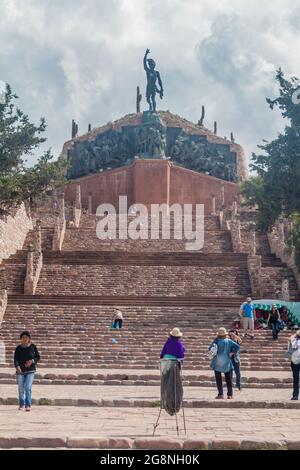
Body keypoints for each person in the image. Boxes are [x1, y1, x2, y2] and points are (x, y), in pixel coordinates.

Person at [208, 327, 240, 399]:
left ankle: (220, 394)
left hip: (217, 362)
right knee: (228, 379)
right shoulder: (229, 341)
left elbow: (210, 349)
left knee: (218, 379)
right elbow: (237, 346)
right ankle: (230, 395)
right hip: (227, 362)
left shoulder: (216, 341)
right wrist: (232, 353)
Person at [14, 331, 40, 411]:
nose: (24, 339)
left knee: (27, 387)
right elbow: (15, 359)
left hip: (31, 371)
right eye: (23, 337)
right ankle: (22, 404)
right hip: (20, 371)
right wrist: (17, 367)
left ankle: (28, 405)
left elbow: (38, 357)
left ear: (29, 338)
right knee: (21, 388)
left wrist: (32, 361)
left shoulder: (33, 346)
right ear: (21, 339)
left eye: (26, 337)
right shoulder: (18, 348)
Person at [287, 330, 300, 400]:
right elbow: (289, 339)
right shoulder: (294, 340)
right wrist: (295, 334)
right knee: (296, 378)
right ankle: (295, 395)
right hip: (295, 361)